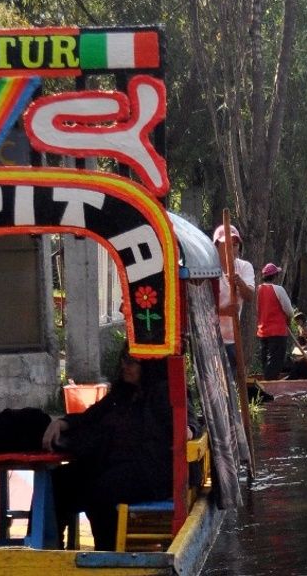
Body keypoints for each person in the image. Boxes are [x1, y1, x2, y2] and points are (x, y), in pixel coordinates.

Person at [44, 346, 185, 551]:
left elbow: (188, 422)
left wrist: (186, 430)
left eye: (131, 362)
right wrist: (62, 423)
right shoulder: (121, 394)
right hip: (112, 464)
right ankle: (49, 550)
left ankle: (107, 554)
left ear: (148, 365)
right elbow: (90, 417)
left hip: (148, 472)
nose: (124, 367)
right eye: (123, 361)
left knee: (99, 492)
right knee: (58, 481)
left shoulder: (164, 392)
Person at [214, 225, 254, 371]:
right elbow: (200, 307)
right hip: (210, 339)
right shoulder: (209, 268)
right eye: (226, 244)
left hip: (231, 339)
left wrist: (239, 283)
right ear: (217, 246)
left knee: (230, 384)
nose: (231, 249)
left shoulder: (244, 267)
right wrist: (224, 310)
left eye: (235, 245)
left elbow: (249, 296)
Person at [256, 262, 295, 381]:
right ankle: (270, 384)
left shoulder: (258, 289)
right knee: (275, 361)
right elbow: (290, 311)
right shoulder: (278, 289)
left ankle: (267, 381)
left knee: (266, 360)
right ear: (275, 276)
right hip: (277, 331)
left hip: (263, 331)